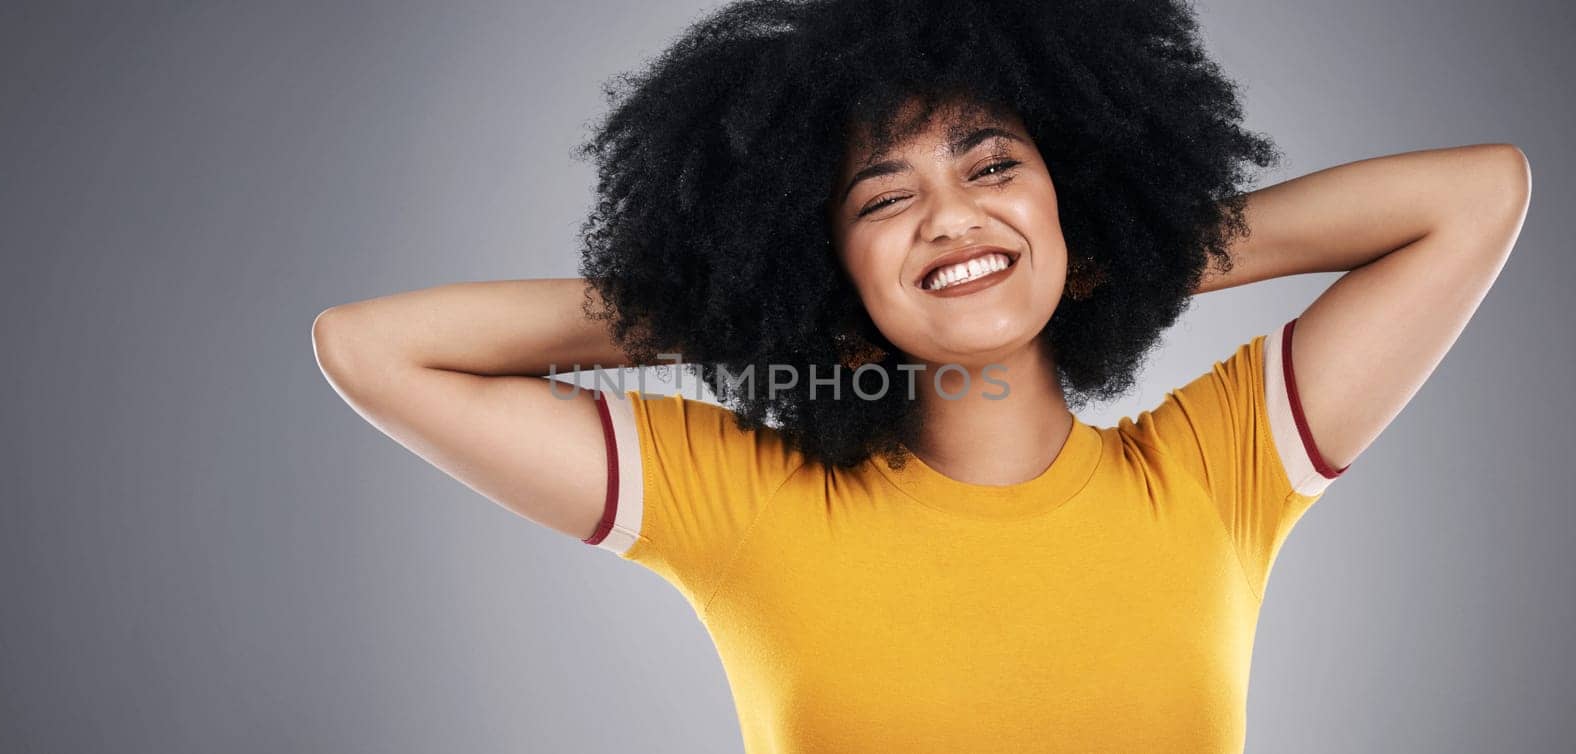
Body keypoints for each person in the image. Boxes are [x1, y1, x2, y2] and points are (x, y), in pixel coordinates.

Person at [310, 0, 1530, 751]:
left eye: (991, 166)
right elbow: (371, 348)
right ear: (822, 261)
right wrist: (751, 318)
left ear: (1076, 189)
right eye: (884, 198)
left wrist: (1120, 258)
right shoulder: (745, 507)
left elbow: (1475, 197)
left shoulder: (1215, 475)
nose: (949, 216)